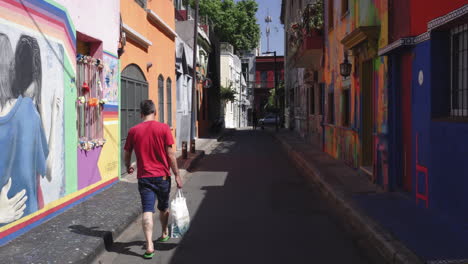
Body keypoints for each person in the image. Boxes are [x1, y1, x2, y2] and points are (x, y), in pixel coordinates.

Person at [124, 100, 183, 259]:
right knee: (163, 208)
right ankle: (164, 231)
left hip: (144, 178)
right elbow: (170, 154)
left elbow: (128, 153)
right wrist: (177, 174)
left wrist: (128, 166)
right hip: (163, 177)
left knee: (147, 210)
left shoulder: (133, 131)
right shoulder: (164, 128)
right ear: (155, 112)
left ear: (141, 114)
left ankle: (149, 245)